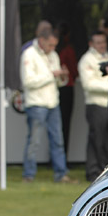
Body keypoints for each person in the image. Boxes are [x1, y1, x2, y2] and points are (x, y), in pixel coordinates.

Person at [20, 20, 72, 183]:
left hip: (52, 102)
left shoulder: (53, 55)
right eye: (50, 45)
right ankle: (28, 174)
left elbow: (56, 82)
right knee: (34, 141)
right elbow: (28, 82)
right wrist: (52, 75)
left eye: (54, 45)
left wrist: (62, 77)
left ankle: (60, 173)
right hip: (36, 103)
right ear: (41, 41)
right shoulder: (29, 54)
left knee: (58, 140)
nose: (52, 48)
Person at [78, 30, 108, 181]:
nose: (102, 45)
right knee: (97, 140)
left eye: (103, 42)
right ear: (91, 44)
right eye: (98, 43)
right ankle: (92, 172)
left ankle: (105, 171)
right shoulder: (87, 60)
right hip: (95, 105)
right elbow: (88, 84)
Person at [56, 22, 79, 163]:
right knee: (65, 123)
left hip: (57, 88)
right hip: (67, 87)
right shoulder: (68, 50)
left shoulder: (55, 51)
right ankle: (63, 157)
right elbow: (73, 69)